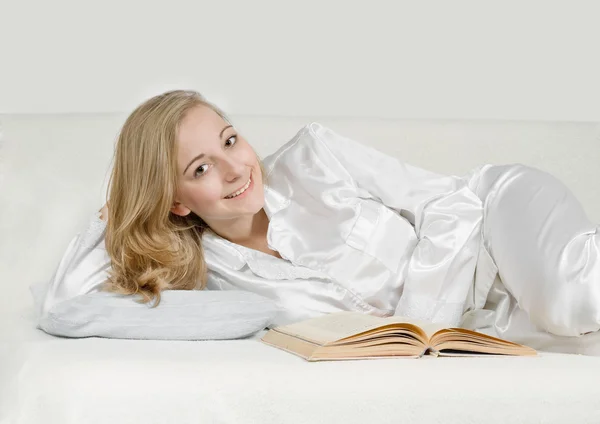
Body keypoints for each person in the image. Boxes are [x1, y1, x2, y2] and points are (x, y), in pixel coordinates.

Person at [38, 89, 600, 344]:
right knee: (564, 321)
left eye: (231, 140)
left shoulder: (315, 155)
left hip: (496, 216)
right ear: (176, 200)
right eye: (203, 168)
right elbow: (67, 310)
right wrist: (112, 218)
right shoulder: (213, 279)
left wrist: (421, 327)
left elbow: (452, 203)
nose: (236, 170)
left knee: (572, 299)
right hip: (492, 321)